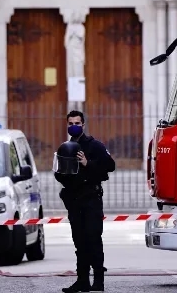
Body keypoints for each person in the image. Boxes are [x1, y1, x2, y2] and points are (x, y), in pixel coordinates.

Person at [54, 110, 116, 292]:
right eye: (70, 123)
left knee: (93, 239)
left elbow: (110, 166)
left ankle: (98, 281)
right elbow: (59, 173)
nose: (73, 126)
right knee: (79, 241)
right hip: (74, 200)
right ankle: (82, 281)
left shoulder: (94, 145)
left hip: (91, 199)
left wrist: (88, 164)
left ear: (83, 125)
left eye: (77, 123)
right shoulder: (66, 147)